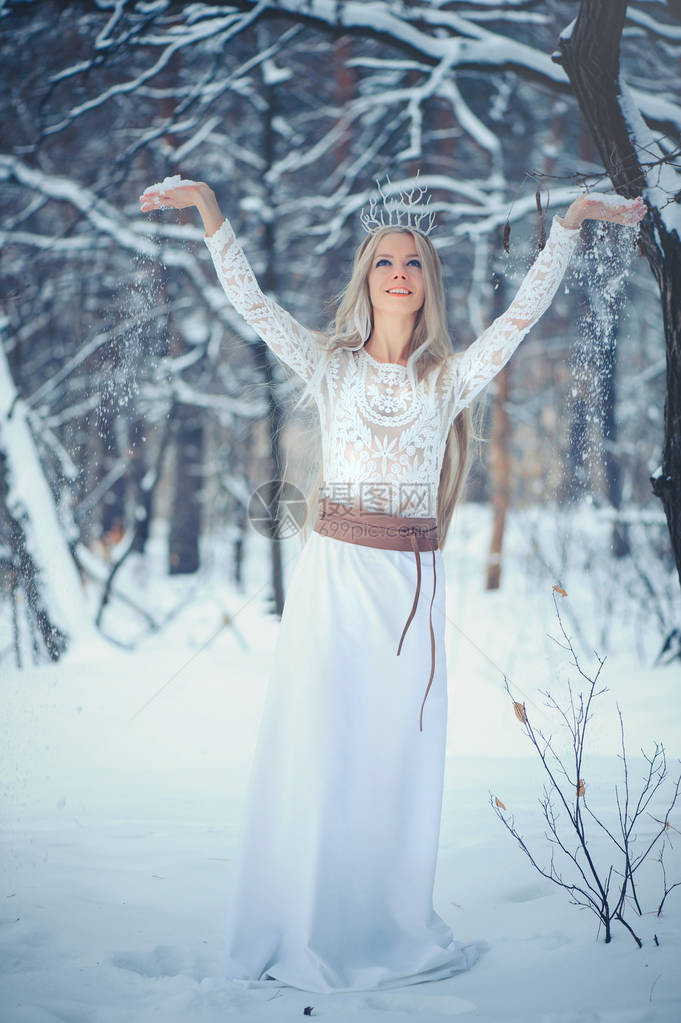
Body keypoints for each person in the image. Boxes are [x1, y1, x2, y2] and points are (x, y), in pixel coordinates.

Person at [140, 179, 646, 994]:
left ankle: (374, 923)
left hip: (407, 587)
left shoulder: (448, 376)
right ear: (366, 277)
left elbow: (519, 318)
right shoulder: (329, 365)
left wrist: (568, 227)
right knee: (319, 750)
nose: (399, 272)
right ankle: (299, 919)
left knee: (388, 761)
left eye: (413, 262)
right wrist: (208, 212)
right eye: (385, 261)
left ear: (428, 282)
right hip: (331, 579)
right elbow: (256, 308)